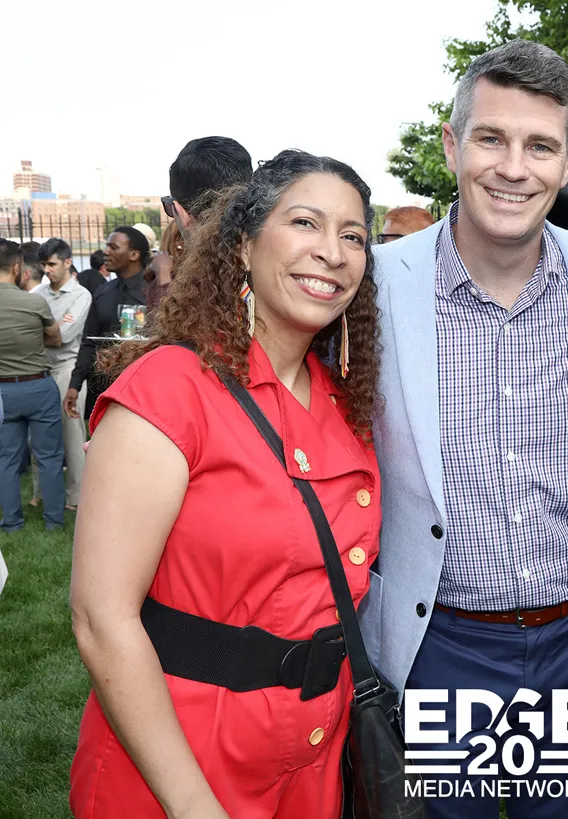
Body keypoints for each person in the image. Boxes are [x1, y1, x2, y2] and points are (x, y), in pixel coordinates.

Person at [367, 39, 568, 819]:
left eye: (540, 146)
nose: (513, 168)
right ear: (452, 146)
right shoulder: (377, 287)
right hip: (443, 641)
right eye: (491, 138)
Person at [69, 149, 381, 817]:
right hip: (181, 762)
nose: (332, 252)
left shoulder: (344, 404)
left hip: (312, 766)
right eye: (305, 223)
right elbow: (101, 618)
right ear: (243, 244)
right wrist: (192, 805)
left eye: (353, 236)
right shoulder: (169, 389)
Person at [0, 239, 66, 532]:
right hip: (38, 385)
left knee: (6, 458)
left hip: (3, 391)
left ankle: (12, 522)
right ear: (17, 268)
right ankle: (54, 521)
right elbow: (56, 338)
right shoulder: (34, 302)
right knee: (49, 456)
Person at [151, 136, 253, 308]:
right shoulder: (274, 261)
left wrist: (162, 279)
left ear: (180, 213)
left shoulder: (201, 291)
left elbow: (170, 322)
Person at [29, 238, 92, 512]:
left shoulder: (81, 295)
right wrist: (52, 328)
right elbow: (43, 334)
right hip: (39, 369)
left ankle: (76, 496)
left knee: (72, 435)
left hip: (68, 369)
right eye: (44, 264)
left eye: (52, 264)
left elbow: (62, 338)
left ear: (68, 262)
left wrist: (38, 332)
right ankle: (40, 493)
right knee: (38, 435)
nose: (47, 270)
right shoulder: (37, 293)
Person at [65, 226, 150, 421]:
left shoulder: (152, 292)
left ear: (134, 255)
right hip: (104, 388)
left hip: (142, 389)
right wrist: (74, 384)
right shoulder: (103, 292)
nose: (106, 252)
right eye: (106, 246)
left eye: (114, 247)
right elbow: (89, 341)